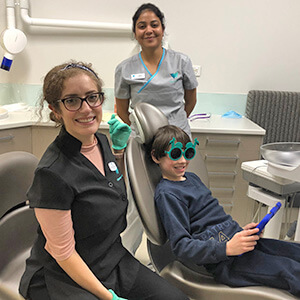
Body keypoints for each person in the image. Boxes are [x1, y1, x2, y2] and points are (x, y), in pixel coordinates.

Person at [19, 62, 189, 300]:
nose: (86, 109)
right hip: (63, 275)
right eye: (72, 100)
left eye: (92, 97)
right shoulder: (52, 174)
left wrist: (118, 154)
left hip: (111, 258)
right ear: (55, 109)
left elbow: (106, 186)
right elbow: (64, 253)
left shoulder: (100, 141)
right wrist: (108, 297)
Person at [150, 125, 300, 297]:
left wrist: (241, 232)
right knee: (293, 271)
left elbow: (212, 219)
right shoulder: (168, 194)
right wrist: (227, 248)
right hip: (226, 263)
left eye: (188, 153)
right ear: (156, 156)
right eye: (175, 155)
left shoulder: (192, 178)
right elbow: (181, 247)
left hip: (237, 244)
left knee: (295, 252)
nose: (183, 161)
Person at [115, 3, 198, 138]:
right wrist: (142, 127)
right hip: (143, 137)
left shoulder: (182, 62)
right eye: (142, 26)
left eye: (154, 25)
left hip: (177, 135)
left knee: (178, 160)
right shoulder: (124, 68)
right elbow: (122, 111)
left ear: (162, 29)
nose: (149, 30)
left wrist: (175, 123)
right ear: (135, 33)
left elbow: (191, 101)